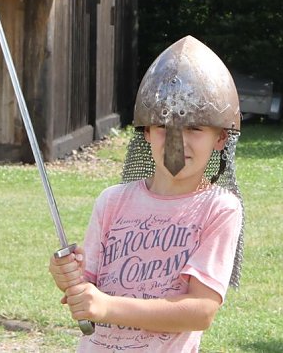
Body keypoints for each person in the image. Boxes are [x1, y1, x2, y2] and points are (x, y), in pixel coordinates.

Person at [49, 35, 245, 352]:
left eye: (194, 128)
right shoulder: (112, 201)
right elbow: (88, 290)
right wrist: (67, 277)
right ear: (147, 133)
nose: (177, 143)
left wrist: (107, 307)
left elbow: (200, 311)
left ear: (220, 137)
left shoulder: (219, 208)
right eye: (164, 127)